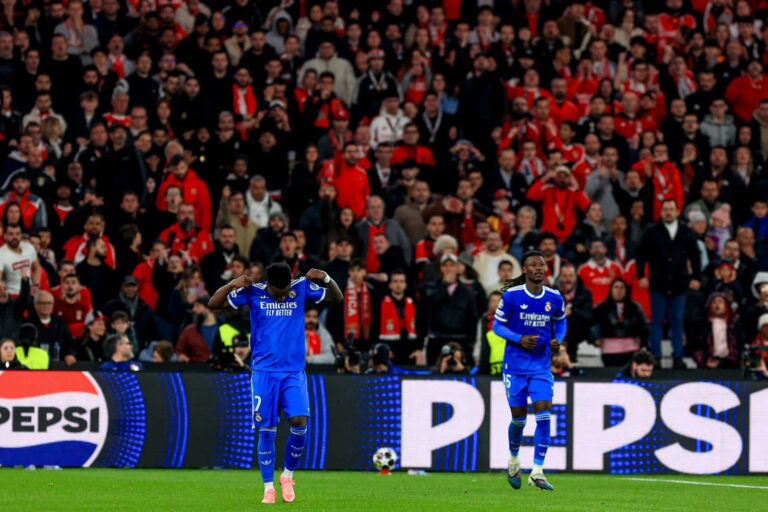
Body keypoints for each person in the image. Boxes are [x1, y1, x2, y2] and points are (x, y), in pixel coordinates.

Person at [208, 262, 342, 504]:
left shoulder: (300, 287)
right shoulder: (253, 291)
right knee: (267, 429)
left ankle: (287, 476)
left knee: (299, 421)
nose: (282, 295)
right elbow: (213, 303)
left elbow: (337, 297)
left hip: (293, 372)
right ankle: (268, 487)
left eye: (286, 290)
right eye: (278, 292)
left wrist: (325, 278)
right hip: (264, 373)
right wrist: (231, 285)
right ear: (268, 285)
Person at [493, 250, 567, 491]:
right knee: (519, 420)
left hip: (541, 368)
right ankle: (514, 459)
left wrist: (558, 340)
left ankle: (537, 471)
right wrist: (519, 339)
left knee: (544, 416)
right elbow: (497, 327)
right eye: (533, 264)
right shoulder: (512, 296)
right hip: (514, 368)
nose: (539, 268)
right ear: (524, 270)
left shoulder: (554, 297)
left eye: (542, 264)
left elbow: (561, 322)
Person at [636, 199, 701, 368]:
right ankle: (655, 357)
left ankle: (678, 356)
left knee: (677, 321)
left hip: (679, 284)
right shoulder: (652, 231)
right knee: (657, 322)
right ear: (661, 212)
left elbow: (695, 255)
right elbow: (641, 255)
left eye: (671, 209)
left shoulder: (686, 232)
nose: (668, 212)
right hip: (658, 284)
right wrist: (641, 275)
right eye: (665, 209)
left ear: (677, 212)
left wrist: (696, 277)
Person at [591, 278, 650, 367]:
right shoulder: (602, 307)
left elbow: (644, 328)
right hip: (609, 352)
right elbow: (589, 323)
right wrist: (593, 339)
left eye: (622, 288)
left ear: (626, 290)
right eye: (616, 287)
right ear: (611, 290)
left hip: (632, 352)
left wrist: (644, 346)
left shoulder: (636, 308)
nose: (619, 290)